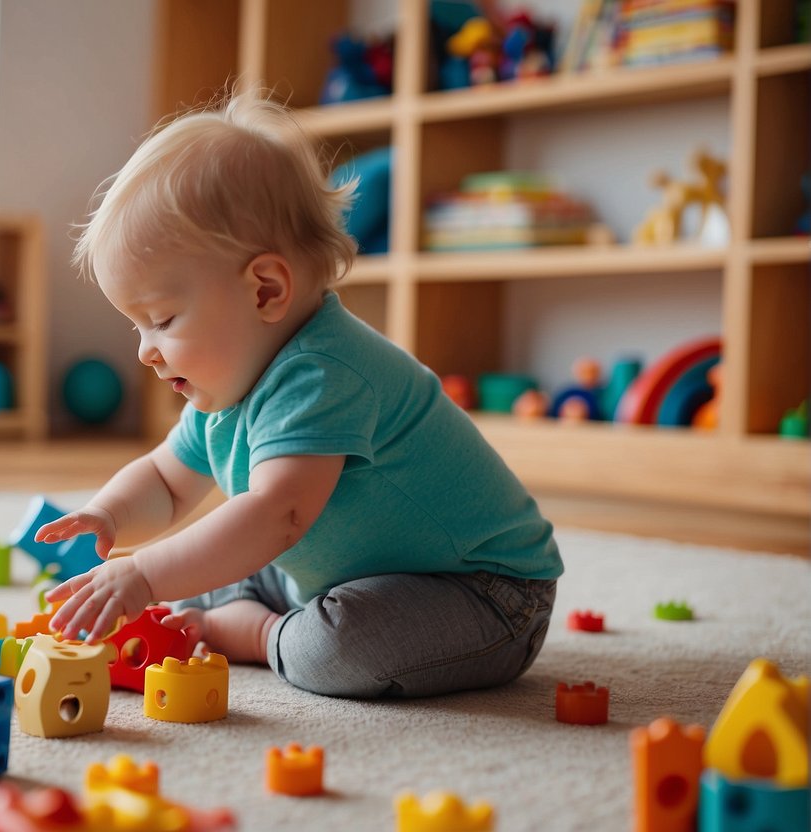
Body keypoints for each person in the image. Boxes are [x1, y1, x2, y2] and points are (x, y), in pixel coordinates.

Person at [38, 90, 562, 699]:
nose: (144, 352)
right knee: (204, 569)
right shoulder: (228, 383)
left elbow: (276, 518)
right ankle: (243, 614)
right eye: (137, 327)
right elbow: (163, 478)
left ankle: (258, 636)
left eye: (161, 320)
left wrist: (145, 575)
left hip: (482, 594)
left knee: (335, 648)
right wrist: (109, 515)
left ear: (264, 291)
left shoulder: (321, 373)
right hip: (346, 576)